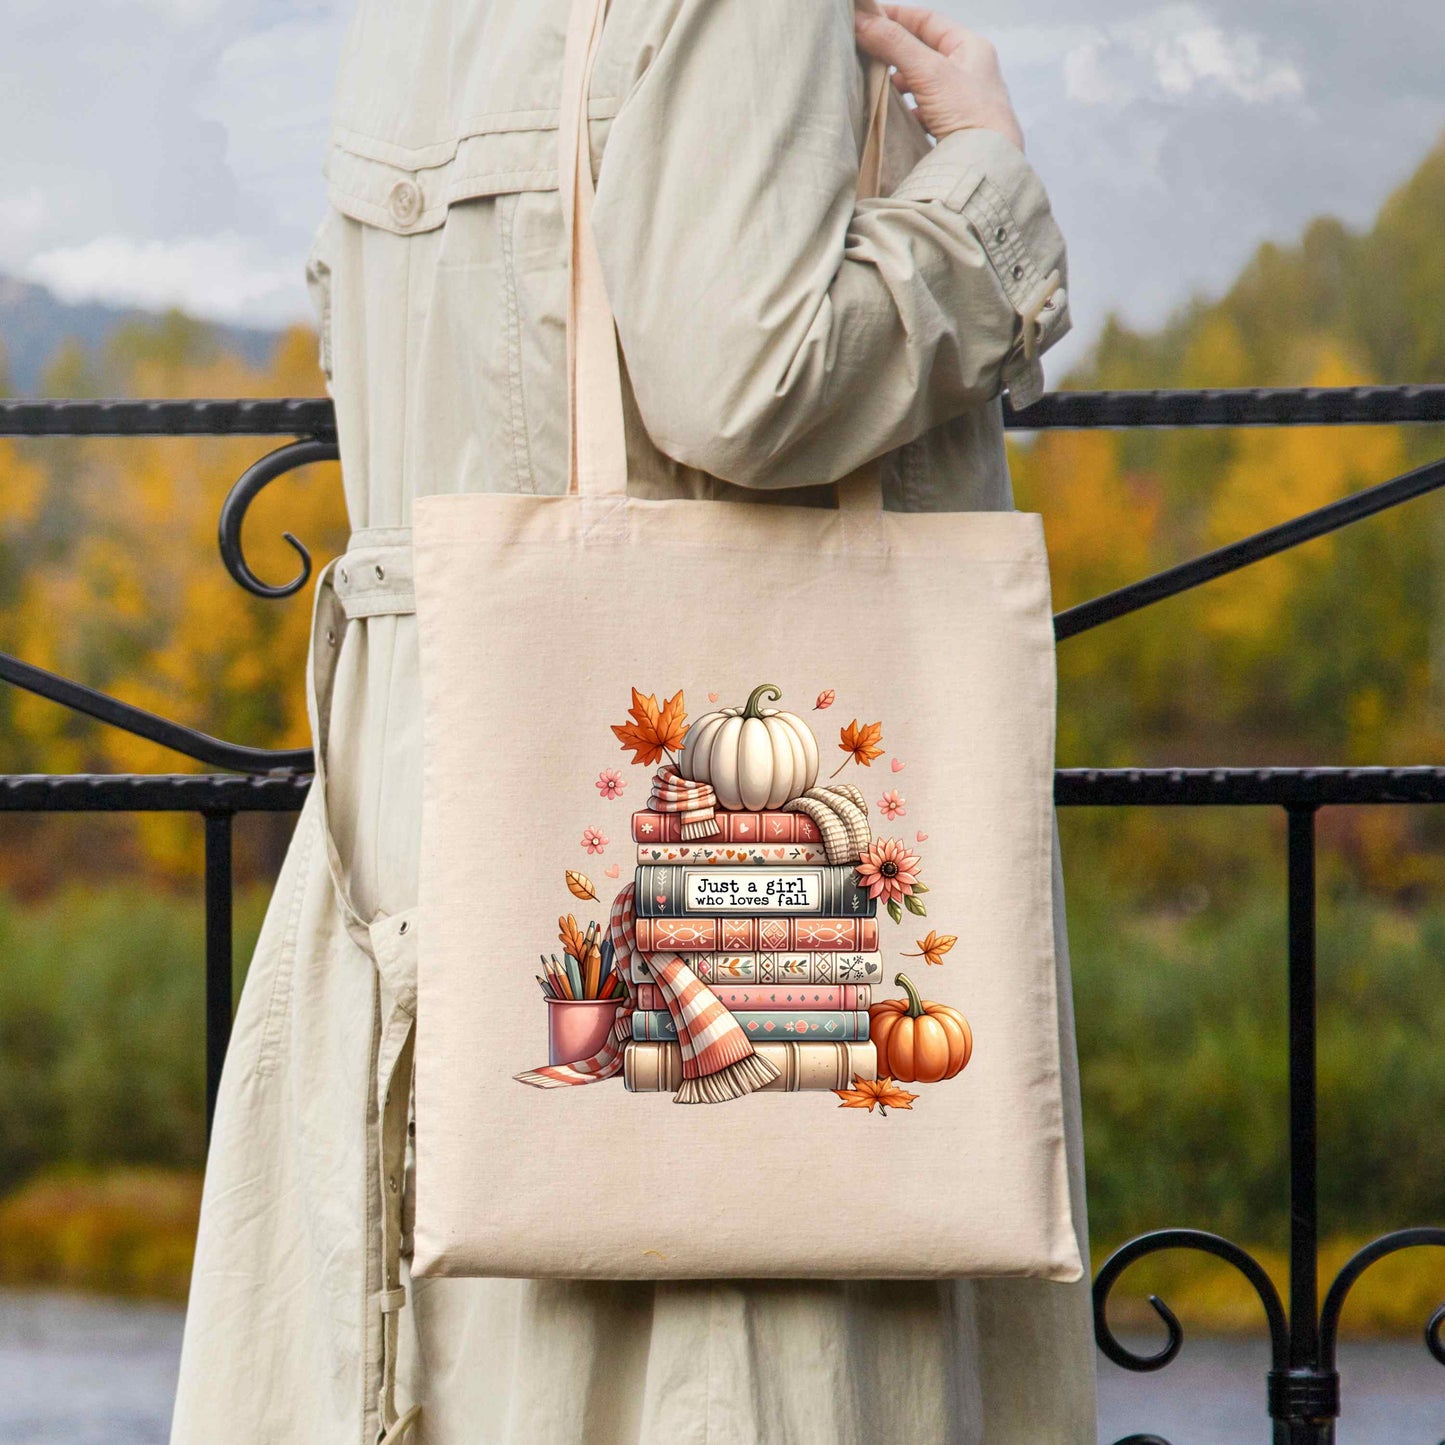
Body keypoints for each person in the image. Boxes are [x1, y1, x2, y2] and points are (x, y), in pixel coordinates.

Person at [170, 2, 1091, 1441]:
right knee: (740, 1357)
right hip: (711, 817)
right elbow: (749, 382)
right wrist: (979, 183)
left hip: (447, 781)